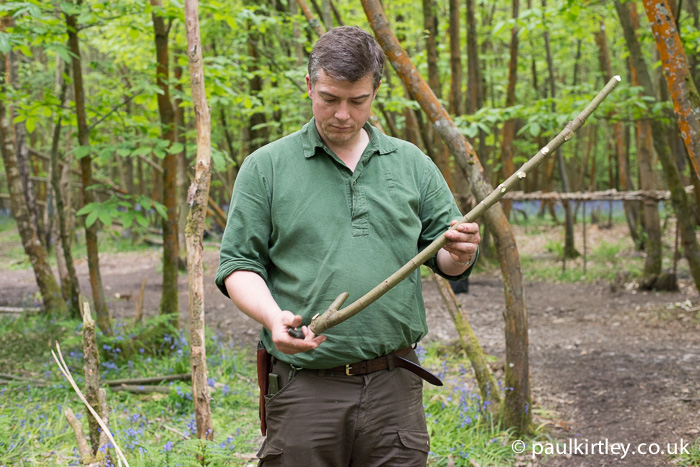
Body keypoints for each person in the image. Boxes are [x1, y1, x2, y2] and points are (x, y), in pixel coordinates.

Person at [216, 26, 480, 466]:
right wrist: (272, 317)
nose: (342, 114)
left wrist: (463, 251)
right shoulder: (266, 167)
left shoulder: (411, 163)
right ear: (309, 86)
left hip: (395, 386)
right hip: (304, 387)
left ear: (375, 91)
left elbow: (447, 260)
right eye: (329, 98)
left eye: (357, 101)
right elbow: (238, 264)